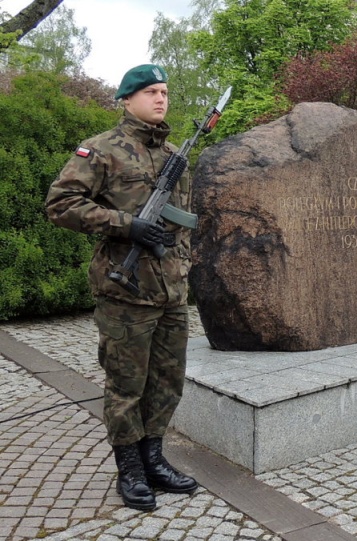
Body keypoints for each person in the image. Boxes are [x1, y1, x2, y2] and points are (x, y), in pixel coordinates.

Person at [45, 64, 198, 511]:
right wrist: (126, 226)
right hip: (125, 293)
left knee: (166, 383)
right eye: (150, 91)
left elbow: (183, 223)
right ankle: (129, 470)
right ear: (127, 99)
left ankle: (155, 459)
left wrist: (184, 264)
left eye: (165, 91)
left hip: (170, 292)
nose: (161, 99)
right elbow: (60, 204)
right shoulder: (101, 150)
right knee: (126, 386)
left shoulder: (173, 154)